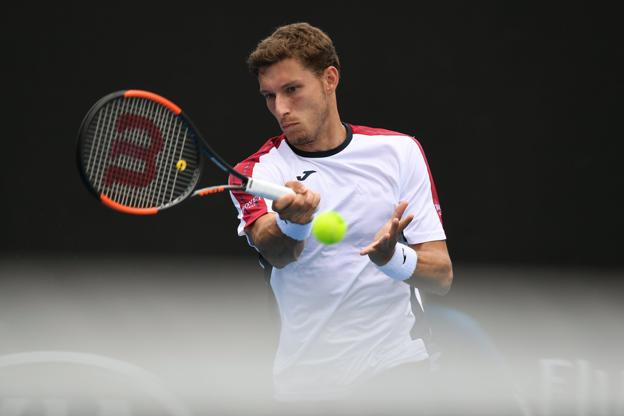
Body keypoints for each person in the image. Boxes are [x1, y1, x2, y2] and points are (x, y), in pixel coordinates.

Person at [229, 22, 453, 410]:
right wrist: (292, 223)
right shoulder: (254, 173)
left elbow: (441, 276)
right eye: (269, 96)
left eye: (292, 90)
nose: (280, 108)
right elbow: (276, 252)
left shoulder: (399, 152)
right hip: (307, 386)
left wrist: (392, 259)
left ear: (329, 79)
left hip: (398, 366)